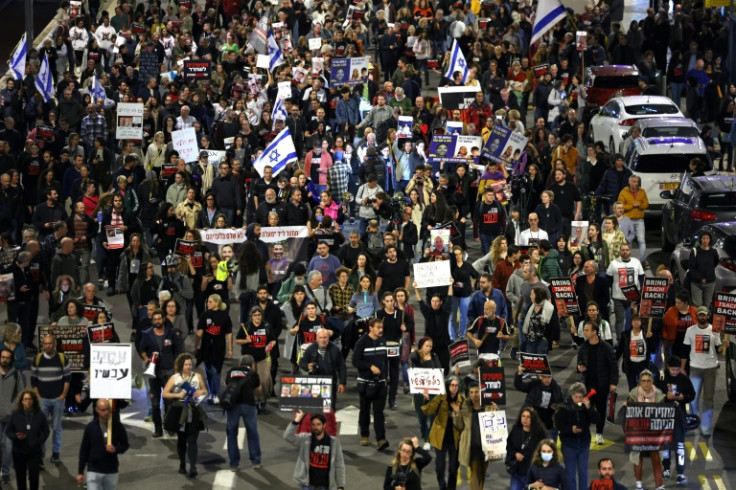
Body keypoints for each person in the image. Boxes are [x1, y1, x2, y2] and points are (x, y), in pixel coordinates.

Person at [683, 306, 728, 436]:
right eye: (700, 315)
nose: (702, 317)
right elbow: (685, 350)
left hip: (710, 369)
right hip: (695, 368)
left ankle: (706, 426)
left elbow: (718, 349)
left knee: (708, 398)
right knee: (693, 398)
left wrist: (723, 347)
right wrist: (682, 368)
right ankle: (693, 423)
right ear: (697, 316)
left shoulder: (715, 330)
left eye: (704, 315)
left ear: (708, 316)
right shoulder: (690, 330)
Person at [162, 353, 208, 478]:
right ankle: (182, 463)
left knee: (192, 440)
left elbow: (205, 390)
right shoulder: (175, 378)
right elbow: (165, 394)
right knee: (181, 440)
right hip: (179, 411)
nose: (188, 366)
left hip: (194, 410)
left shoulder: (197, 376)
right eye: (186, 364)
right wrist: (177, 395)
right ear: (181, 365)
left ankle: (193, 467)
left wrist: (200, 392)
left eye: (190, 364)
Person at [139, 309, 180, 438]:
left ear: (163, 319)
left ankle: (169, 426)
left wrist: (177, 370)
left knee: (169, 402)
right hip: (154, 373)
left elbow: (177, 352)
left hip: (169, 371)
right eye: (155, 319)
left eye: (159, 318)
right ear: (152, 321)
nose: (157, 321)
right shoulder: (147, 334)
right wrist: (146, 359)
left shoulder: (171, 333)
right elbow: (142, 349)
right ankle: (158, 428)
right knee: (155, 402)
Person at [30, 334, 70, 466]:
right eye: (45, 343)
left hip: (57, 399)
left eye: (49, 343)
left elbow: (67, 378)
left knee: (57, 427)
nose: (47, 346)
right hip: (43, 400)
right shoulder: (37, 359)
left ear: (55, 344)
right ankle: (40, 456)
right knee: (40, 429)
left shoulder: (62, 358)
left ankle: (56, 454)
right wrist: (38, 397)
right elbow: (33, 380)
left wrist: (63, 395)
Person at [576, 322, 618, 446]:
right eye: (584, 330)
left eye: (587, 330)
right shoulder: (583, 347)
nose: (584, 332)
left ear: (594, 332)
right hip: (587, 384)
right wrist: (579, 368)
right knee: (584, 409)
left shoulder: (606, 347)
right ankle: (585, 433)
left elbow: (614, 366)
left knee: (600, 410)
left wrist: (613, 383)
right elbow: (579, 363)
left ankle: (599, 433)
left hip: (602, 385)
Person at [284, 409, 346, 490]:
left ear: (324, 425)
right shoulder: (305, 438)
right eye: (313, 425)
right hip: (307, 485)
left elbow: (339, 465)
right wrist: (296, 421)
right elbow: (288, 436)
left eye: (318, 424)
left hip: (325, 486)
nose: (315, 427)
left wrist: (340, 485)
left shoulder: (334, 442)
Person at [655, 355, 694, 483]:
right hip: (664, 416)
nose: (675, 372)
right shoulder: (661, 378)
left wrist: (683, 397)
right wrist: (666, 397)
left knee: (680, 446)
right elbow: (654, 393)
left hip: (679, 417)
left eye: (677, 370)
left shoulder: (684, 379)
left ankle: (680, 473)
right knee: (665, 445)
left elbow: (692, 394)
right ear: (668, 367)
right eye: (673, 370)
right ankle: (666, 468)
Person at [625, 369, 665, 490]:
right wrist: (626, 405)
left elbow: (663, 412)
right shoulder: (633, 394)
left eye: (648, 381)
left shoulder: (658, 394)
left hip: (654, 432)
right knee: (638, 456)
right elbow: (629, 411)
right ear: (640, 382)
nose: (646, 384)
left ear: (652, 381)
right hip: (638, 431)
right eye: (643, 381)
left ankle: (659, 485)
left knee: (656, 457)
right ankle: (639, 484)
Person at [76, 399, 130, 490]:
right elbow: (84, 450)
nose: (106, 412)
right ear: (96, 410)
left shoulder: (117, 426)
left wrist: (115, 449)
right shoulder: (90, 428)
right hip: (94, 470)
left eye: (108, 409)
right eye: (103, 410)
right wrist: (80, 472)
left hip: (111, 470)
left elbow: (125, 445)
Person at [352, 318, 389, 450]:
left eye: (382, 327)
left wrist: (386, 378)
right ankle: (364, 435)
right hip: (365, 384)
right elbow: (355, 361)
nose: (381, 330)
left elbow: (385, 361)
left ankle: (381, 439)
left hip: (381, 383)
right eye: (378, 327)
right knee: (365, 411)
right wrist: (370, 367)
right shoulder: (361, 342)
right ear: (371, 328)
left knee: (379, 412)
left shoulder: (383, 341)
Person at [553, 382, 598, 490]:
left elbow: (596, 420)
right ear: (571, 396)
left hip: (583, 445)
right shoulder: (564, 408)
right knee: (570, 475)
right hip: (569, 446)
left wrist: (589, 408)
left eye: (580, 397)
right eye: (575, 397)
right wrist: (570, 429)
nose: (578, 399)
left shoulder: (587, 406)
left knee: (583, 473)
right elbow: (558, 425)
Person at [421, 376, 463, 490]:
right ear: (448, 386)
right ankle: (442, 486)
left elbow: (466, 420)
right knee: (440, 468)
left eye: (456, 386)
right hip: (440, 439)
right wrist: (426, 399)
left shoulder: (462, 400)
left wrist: (458, 412)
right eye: (452, 385)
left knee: (453, 469)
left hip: (455, 440)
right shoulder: (440, 398)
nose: (454, 388)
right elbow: (428, 410)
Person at [455, 383, 498, 490]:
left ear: (481, 393)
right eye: (471, 392)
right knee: (474, 473)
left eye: (476, 392)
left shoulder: (489, 406)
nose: (474, 395)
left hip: (486, 446)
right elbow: (459, 426)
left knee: (482, 472)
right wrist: (457, 413)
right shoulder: (464, 406)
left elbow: (496, 425)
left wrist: (496, 411)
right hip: (472, 446)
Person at [224, 354, 262, 472]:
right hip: (248, 404)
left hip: (232, 405)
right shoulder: (253, 374)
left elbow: (226, 385)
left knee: (231, 433)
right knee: (252, 433)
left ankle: (234, 464)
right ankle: (255, 461)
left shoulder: (231, 371)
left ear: (239, 364)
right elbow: (259, 389)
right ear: (252, 366)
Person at [5, 389, 49, 490]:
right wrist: (16, 436)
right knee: (20, 478)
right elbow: (8, 431)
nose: (28, 401)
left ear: (33, 400)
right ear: (22, 401)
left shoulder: (40, 414)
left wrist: (39, 441)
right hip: (19, 451)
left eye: (30, 399)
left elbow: (46, 431)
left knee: (34, 478)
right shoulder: (15, 415)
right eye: (25, 399)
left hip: (34, 451)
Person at [194, 294, 234, 405]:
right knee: (208, 371)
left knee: (216, 371)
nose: (208, 304)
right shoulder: (204, 315)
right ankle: (212, 392)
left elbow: (229, 333)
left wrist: (230, 349)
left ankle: (215, 393)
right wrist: (196, 346)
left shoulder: (225, 316)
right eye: (208, 302)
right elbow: (200, 332)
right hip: (206, 348)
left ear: (217, 303)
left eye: (210, 302)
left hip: (219, 348)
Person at [236, 305, 276, 413]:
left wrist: (270, 346)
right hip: (249, 359)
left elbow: (273, 340)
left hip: (264, 358)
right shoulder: (246, 326)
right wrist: (246, 341)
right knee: (251, 381)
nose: (257, 317)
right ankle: (253, 401)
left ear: (262, 316)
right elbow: (238, 340)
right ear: (251, 316)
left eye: (259, 315)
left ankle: (262, 402)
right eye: (255, 315)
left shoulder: (267, 326)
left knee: (264, 380)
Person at [513, 365, 564, 442]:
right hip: (533, 425)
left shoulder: (557, 389)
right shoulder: (534, 385)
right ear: (540, 376)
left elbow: (562, 403)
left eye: (549, 377)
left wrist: (557, 407)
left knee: (548, 450)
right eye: (544, 377)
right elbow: (519, 385)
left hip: (549, 427)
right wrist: (519, 373)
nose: (547, 379)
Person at [607, 242, 645, 342]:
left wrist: (641, 292)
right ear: (620, 251)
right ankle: (620, 341)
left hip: (633, 298)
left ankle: (632, 339)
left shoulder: (636, 262)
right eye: (623, 250)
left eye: (627, 250)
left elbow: (641, 278)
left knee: (633, 320)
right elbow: (608, 279)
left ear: (630, 251)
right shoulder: (613, 263)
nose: (625, 252)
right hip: (618, 298)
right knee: (619, 320)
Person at [505, 407, 549, 490]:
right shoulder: (516, 430)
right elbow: (509, 446)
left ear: (533, 419)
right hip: (517, 472)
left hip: (532, 475)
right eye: (523, 416)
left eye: (528, 417)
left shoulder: (540, 434)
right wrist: (515, 453)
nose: (525, 419)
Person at [0, 347, 22, 483]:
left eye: (7, 357)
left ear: (11, 359)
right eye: (3, 357)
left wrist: (14, 408)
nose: (5, 360)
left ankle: (6, 473)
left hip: (10, 417)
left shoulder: (16, 374)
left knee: (8, 447)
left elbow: (21, 392)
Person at [616, 313, 654, 390]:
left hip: (643, 364)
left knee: (643, 388)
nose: (636, 322)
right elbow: (619, 350)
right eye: (634, 320)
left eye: (638, 320)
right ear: (631, 322)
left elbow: (652, 349)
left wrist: (651, 338)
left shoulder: (646, 333)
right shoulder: (625, 335)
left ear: (641, 322)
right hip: (630, 365)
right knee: (632, 388)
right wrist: (613, 361)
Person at [522, 286, 559, 355]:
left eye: (532, 294)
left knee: (540, 362)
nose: (530, 296)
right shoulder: (531, 307)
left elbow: (554, 325)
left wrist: (548, 338)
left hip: (542, 340)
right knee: (531, 361)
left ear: (537, 295)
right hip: (530, 339)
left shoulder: (549, 308)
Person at [688, 230, 719, 308]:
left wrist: (708, 274)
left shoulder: (713, 252)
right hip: (696, 283)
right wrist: (700, 278)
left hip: (710, 283)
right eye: (703, 238)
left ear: (710, 240)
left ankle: (704, 320)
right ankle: (696, 320)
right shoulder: (695, 251)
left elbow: (715, 263)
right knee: (697, 305)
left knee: (707, 305)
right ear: (700, 240)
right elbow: (691, 267)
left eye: (707, 238)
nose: (705, 240)